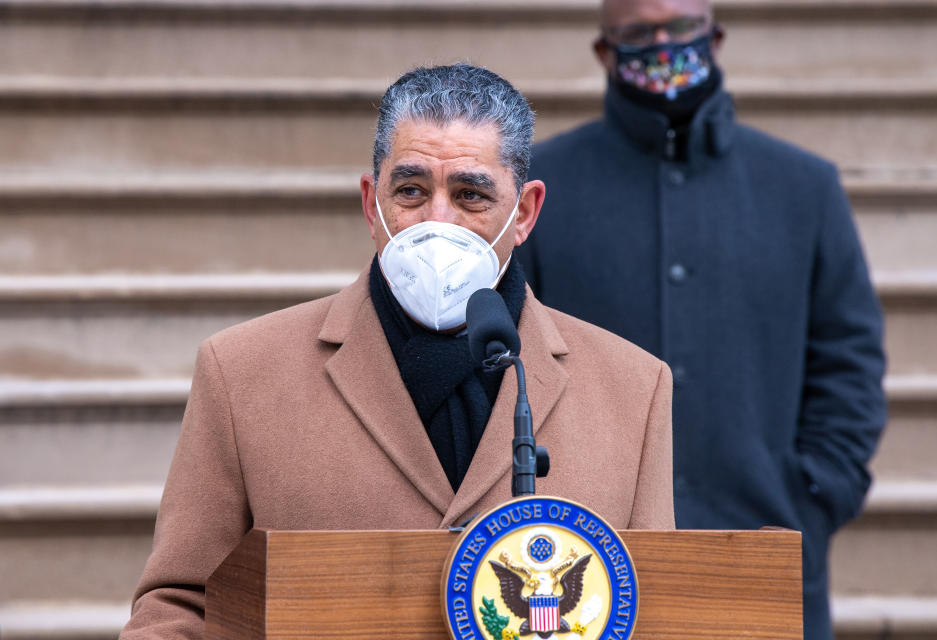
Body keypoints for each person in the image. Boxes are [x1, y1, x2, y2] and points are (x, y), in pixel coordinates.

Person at [120, 63, 675, 638]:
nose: (437, 219)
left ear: (525, 213)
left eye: (470, 194)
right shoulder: (241, 372)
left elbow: (661, 609)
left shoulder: (633, 389)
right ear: (371, 202)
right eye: (411, 190)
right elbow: (181, 607)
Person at [514, 1, 886, 638]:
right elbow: (510, 362)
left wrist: (813, 497)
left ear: (713, 37)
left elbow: (849, 362)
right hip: (588, 557)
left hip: (765, 550)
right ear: (604, 51)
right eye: (638, 32)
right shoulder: (540, 190)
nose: (662, 45)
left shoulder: (804, 187)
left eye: (680, 28)